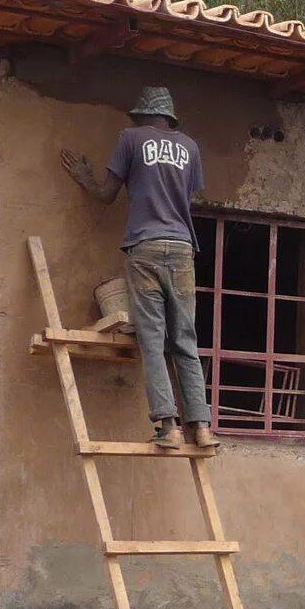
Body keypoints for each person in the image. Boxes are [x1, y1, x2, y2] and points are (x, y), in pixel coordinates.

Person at [61, 86, 212, 450]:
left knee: (152, 340)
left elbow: (106, 194)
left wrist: (84, 177)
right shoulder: (190, 148)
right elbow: (186, 200)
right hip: (182, 250)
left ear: (143, 116)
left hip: (145, 248)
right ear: (170, 119)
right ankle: (203, 428)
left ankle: (169, 427)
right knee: (185, 341)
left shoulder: (131, 139)